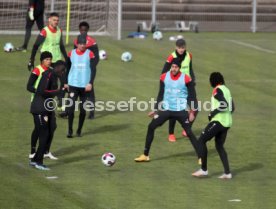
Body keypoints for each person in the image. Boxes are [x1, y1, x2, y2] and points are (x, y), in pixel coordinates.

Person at [134, 59, 200, 163]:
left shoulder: (186, 79)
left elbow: (192, 96)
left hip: (180, 110)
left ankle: (201, 157)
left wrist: (192, 111)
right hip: (166, 109)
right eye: (172, 67)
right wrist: (155, 109)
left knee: (189, 132)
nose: (173, 69)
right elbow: (160, 94)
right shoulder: (164, 77)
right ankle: (145, 155)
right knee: (151, 127)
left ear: (179, 68)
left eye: (176, 67)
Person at [192, 72, 235, 179]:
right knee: (219, 146)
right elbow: (232, 107)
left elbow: (224, 104)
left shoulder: (217, 89)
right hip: (227, 122)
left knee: (201, 140)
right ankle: (227, 173)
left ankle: (204, 170)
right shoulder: (227, 90)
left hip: (218, 121)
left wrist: (213, 113)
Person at [29, 56, 66, 170]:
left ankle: (35, 159)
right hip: (40, 108)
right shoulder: (48, 75)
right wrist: (58, 91)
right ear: (59, 68)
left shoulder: (54, 76)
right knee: (44, 134)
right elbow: (42, 91)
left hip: (46, 108)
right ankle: (38, 162)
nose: (63, 73)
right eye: (63, 70)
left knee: (50, 129)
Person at [162, 39, 197, 142]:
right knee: (174, 110)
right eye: (179, 48)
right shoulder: (171, 57)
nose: (181, 50)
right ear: (176, 47)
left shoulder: (189, 56)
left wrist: (193, 79)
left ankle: (187, 129)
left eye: (183, 47)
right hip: (175, 87)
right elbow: (164, 72)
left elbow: (190, 69)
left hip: (188, 85)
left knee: (195, 108)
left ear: (185, 47)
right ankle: (171, 134)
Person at [27, 51, 59, 160]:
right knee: (39, 128)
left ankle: (46, 151)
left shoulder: (51, 71)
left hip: (48, 103)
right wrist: (40, 92)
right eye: (46, 59)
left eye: (50, 59)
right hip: (38, 103)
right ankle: (32, 151)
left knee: (52, 126)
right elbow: (29, 87)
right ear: (42, 60)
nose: (49, 61)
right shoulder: (37, 70)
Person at [65, 34, 97, 138]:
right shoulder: (71, 54)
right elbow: (66, 69)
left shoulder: (90, 54)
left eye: (84, 44)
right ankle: (70, 130)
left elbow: (93, 69)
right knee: (70, 108)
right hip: (73, 85)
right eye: (81, 44)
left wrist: (90, 83)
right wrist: (65, 82)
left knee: (83, 110)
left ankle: (79, 130)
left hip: (85, 86)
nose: (83, 46)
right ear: (77, 44)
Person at [75, 21, 99, 119]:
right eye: (82, 30)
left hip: (88, 70)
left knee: (90, 91)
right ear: (79, 30)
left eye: (85, 30)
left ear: (87, 30)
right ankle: (68, 110)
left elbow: (96, 58)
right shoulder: (77, 41)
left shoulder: (92, 42)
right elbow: (74, 54)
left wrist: (90, 67)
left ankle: (92, 112)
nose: (83, 31)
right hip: (78, 70)